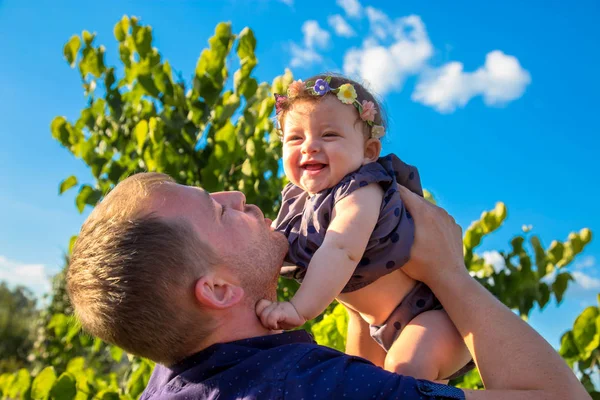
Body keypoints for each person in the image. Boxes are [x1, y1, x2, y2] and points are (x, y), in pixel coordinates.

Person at [66, 172, 588, 399]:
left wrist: (352, 284)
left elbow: (363, 378)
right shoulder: (310, 392)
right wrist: (449, 273)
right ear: (219, 289)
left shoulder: (184, 379)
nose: (234, 193)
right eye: (216, 210)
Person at [257, 74, 471, 381]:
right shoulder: (295, 202)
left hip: (433, 317)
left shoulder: (362, 187)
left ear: (369, 151)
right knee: (355, 382)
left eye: (328, 135)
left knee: (406, 369)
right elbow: (272, 251)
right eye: (295, 138)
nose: (309, 147)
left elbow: (342, 247)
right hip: (376, 327)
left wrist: (299, 308)